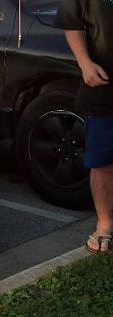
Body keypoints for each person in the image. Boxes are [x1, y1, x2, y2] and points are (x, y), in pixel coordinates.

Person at [54, 0, 113, 253]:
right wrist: (85, 63)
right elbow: (72, 23)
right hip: (104, 85)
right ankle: (104, 226)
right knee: (102, 160)